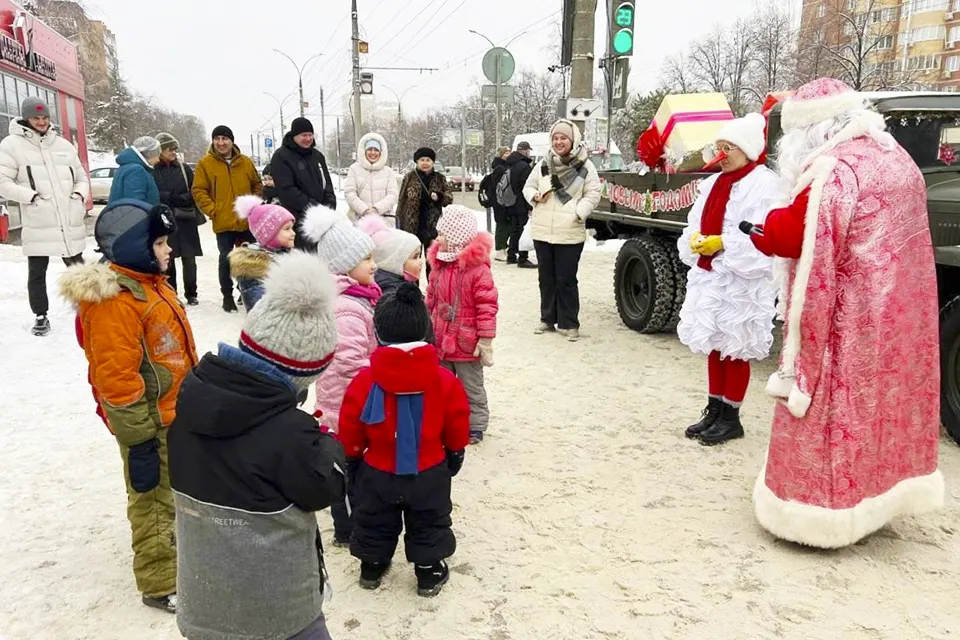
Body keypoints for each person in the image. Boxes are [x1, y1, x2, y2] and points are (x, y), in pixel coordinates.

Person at [747, 78, 944, 548]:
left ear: (809, 132)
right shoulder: (896, 158)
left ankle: (816, 515)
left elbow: (795, 234)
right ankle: (879, 500)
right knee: (881, 411)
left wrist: (764, 229)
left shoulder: (832, 170)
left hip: (846, 320)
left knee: (833, 412)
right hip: (895, 317)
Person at [169, 250, 345, 640]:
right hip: (278, 615)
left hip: (202, 603)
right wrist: (328, 446)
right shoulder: (291, 434)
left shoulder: (189, 408)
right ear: (301, 374)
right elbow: (324, 487)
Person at [59, 199, 198, 614]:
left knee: (174, 494)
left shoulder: (152, 285)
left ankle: (180, 557)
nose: (168, 250)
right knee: (152, 500)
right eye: (159, 243)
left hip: (172, 412)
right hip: (148, 422)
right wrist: (138, 438)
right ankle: (159, 583)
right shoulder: (116, 303)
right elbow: (115, 377)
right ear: (138, 248)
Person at [339, 282, 471, 597]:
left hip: (378, 468)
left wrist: (353, 456)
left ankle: (371, 565)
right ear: (425, 331)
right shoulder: (444, 378)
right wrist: (455, 451)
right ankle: (428, 572)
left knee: (374, 520)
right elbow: (456, 418)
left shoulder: (365, 379)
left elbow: (350, 422)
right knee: (429, 520)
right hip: (429, 468)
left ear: (378, 333)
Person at [675, 113, 781, 446]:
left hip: (743, 282)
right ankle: (714, 409)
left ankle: (731, 417)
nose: (722, 155)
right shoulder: (711, 185)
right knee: (714, 345)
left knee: (735, 349)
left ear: (747, 149)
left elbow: (767, 236)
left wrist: (725, 243)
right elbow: (694, 222)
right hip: (713, 277)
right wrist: (695, 240)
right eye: (719, 148)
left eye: (729, 148)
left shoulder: (766, 184)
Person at [302, 203, 379, 545]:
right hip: (344, 404)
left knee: (355, 466)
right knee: (346, 469)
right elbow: (349, 362)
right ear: (346, 265)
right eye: (366, 260)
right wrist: (380, 374)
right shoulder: (346, 306)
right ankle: (346, 529)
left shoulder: (357, 297)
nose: (374, 265)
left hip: (352, 399)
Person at [0, 97, 88, 336]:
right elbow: (3, 182)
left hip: (67, 219)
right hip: (38, 219)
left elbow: (81, 177)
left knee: (78, 268)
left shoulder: (63, 145)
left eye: (45, 117)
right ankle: (41, 315)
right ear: (26, 118)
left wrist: (78, 196)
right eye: (36, 118)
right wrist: (31, 197)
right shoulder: (11, 145)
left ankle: (89, 309)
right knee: (37, 272)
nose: (41, 122)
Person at [522, 119, 601, 342]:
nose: (559, 142)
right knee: (546, 278)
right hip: (542, 230)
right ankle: (547, 318)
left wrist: (579, 211)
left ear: (572, 140)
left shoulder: (585, 166)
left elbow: (593, 193)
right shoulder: (543, 164)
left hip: (570, 231)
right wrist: (534, 196)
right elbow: (528, 186)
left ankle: (569, 323)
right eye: (555, 138)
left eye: (563, 138)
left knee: (566, 278)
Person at [426, 204, 498, 444]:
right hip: (441, 339)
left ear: (457, 237)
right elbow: (432, 297)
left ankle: (475, 425)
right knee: (441, 385)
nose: (438, 238)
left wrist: (485, 339)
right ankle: (445, 421)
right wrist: (427, 324)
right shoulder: (439, 263)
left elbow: (487, 305)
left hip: (467, 342)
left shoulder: (477, 270)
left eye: (443, 234)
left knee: (471, 387)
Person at [192, 125, 263, 313]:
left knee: (249, 260)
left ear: (232, 141)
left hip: (247, 221)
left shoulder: (245, 162)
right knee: (226, 259)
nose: (221, 143)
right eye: (217, 139)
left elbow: (257, 184)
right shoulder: (205, 164)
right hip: (223, 222)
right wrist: (213, 210)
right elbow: (198, 190)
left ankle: (248, 291)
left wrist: (254, 205)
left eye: (225, 138)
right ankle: (227, 296)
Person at [270, 117, 337, 248]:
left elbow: (327, 183)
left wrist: (329, 206)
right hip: (297, 221)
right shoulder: (281, 156)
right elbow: (287, 191)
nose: (308, 138)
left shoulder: (317, 156)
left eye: (310, 135)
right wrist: (313, 208)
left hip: (322, 220)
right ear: (294, 136)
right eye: (303, 135)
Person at [154, 132, 202, 305]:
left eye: (175, 149)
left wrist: (181, 198)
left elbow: (195, 189)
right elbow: (153, 193)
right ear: (160, 150)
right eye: (169, 149)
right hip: (164, 219)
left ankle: (192, 293)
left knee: (189, 258)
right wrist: (171, 197)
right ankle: (171, 293)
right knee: (168, 258)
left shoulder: (184, 168)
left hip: (185, 218)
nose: (173, 152)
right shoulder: (153, 169)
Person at [228, 195, 296, 310]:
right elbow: (262, 311)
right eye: (287, 229)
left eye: (292, 228)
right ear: (269, 235)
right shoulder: (253, 269)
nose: (293, 233)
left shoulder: (286, 256)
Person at [396, 147, 452, 278]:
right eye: (422, 160)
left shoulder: (440, 178)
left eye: (428, 160)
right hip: (411, 227)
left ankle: (433, 290)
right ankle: (413, 290)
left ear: (433, 162)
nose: (425, 163)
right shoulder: (409, 177)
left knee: (432, 262)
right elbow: (401, 200)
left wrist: (439, 196)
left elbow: (449, 198)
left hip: (433, 227)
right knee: (411, 262)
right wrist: (399, 222)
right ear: (417, 161)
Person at [357, 213, 424, 297]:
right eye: (415, 257)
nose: (420, 262)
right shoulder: (397, 295)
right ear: (394, 261)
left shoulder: (397, 284)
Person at [343, 132, 399, 223]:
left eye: (376, 150)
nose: (373, 153)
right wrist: (365, 210)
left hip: (385, 221)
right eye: (370, 149)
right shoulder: (354, 169)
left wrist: (376, 209)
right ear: (364, 151)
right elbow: (349, 193)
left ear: (381, 152)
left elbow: (393, 195)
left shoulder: (388, 172)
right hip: (361, 221)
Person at [501, 141, 536, 268]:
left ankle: (511, 255)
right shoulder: (524, 166)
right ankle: (522, 257)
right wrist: (529, 205)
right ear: (526, 151)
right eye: (528, 150)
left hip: (510, 202)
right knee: (522, 230)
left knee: (515, 230)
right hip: (520, 203)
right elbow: (526, 187)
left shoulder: (509, 164)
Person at [478, 147, 510, 261]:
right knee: (502, 224)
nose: (508, 155)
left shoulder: (504, 166)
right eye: (506, 153)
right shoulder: (500, 168)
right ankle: (499, 250)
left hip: (503, 200)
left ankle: (502, 247)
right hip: (500, 201)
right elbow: (499, 186)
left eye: (509, 153)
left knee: (505, 224)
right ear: (501, 155)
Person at [110, 136, 161, 205]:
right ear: (149, 154)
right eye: (157, 155)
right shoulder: (136, 170)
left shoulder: (127, 167)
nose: (158, 160)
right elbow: (134, 205)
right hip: (136, 215)